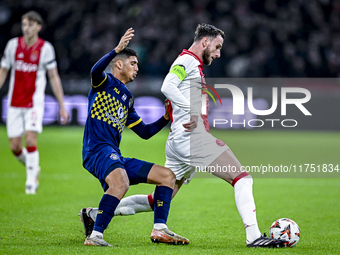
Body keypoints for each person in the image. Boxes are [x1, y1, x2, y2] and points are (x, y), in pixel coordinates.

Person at [80, 24, 286, 248]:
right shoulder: (186, 60)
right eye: (217, 47)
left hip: (181, 139)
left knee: (159, 196)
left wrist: (167, 117)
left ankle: (96, 214)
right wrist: (190, 110)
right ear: (205, 42)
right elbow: (168, 86)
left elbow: (145, 131)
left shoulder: (184, 69)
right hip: (190, 138)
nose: (218, 54)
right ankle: (254, 236)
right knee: (242, 178)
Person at [79, 28, 189, 247]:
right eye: (133, 63)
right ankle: (95, 236)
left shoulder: (127, 98)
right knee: (121, 183)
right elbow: (94, 70)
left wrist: (165, 118)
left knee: (167, 176)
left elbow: (145, 133)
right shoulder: (104, 83)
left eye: (137, 64)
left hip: (114, 155)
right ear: (119, 64)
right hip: (97, 150)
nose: (137, 68)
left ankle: (160, 228)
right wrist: (115, 50)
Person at [0, 11, 69, 195]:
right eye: (24, 24)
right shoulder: (13, 46)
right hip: (14, 103)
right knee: (15, 147)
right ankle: (34, 167)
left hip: (34, 103)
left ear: (38, 27)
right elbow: (3, 70)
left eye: (30, 24)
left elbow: (54, 77)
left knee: (30, 138)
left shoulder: (45, 48)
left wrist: (62, 105)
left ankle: (30, 184)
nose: (26, 28)